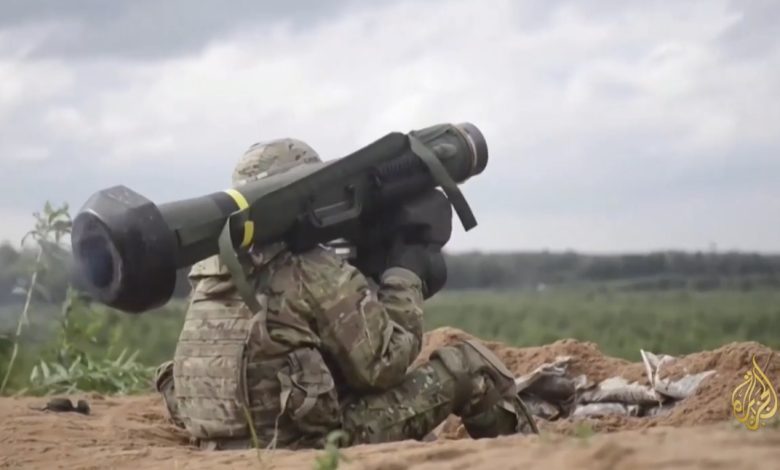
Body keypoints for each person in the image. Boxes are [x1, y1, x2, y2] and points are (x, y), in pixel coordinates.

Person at [154, 138, 537, 450]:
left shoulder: (210, 266)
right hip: (304, 447)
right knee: (468, 366)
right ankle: (532, 454)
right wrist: (404, 275)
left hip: (220, 442)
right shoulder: (310, 269)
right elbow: (385, 365)